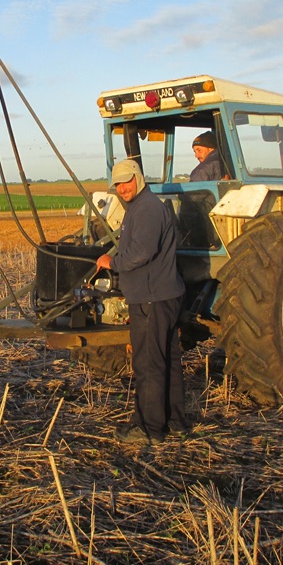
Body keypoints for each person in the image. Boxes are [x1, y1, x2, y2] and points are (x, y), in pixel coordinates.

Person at [96, 159, 189, 445]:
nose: (123, 188)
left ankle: (149, 428)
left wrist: (113, 262)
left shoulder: (147, 209)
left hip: (151, 299)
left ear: (138, 177)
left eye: (127, 181)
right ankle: (175, 422)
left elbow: (142, 252)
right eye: (118, 184)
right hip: (165, 295)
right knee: (167, 360)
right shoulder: (142, 207)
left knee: (148, 363)